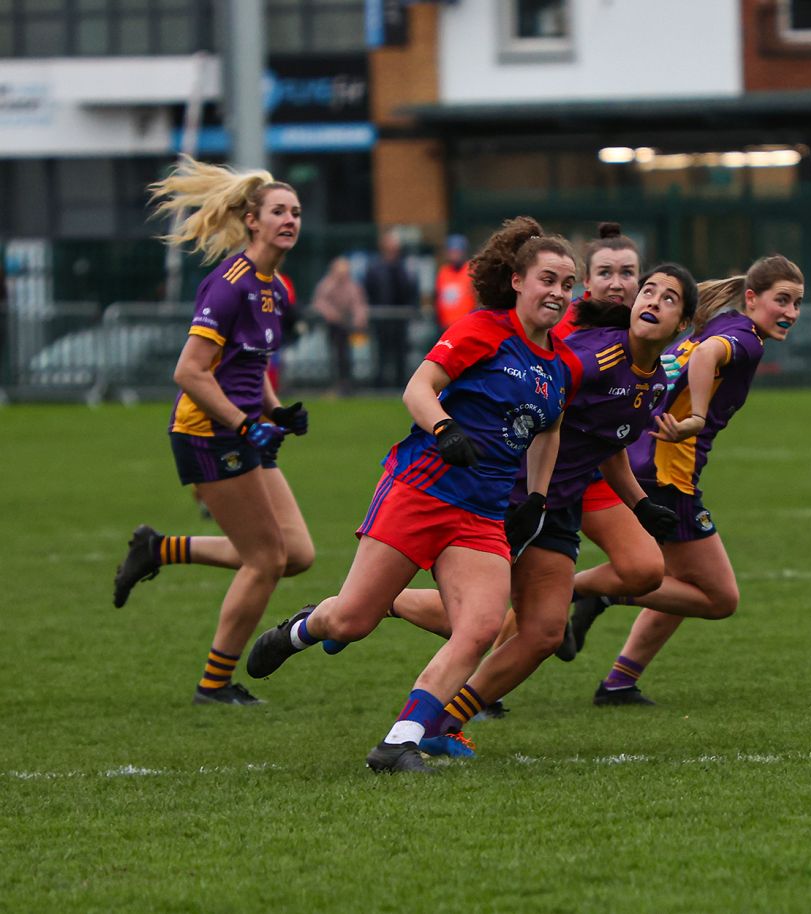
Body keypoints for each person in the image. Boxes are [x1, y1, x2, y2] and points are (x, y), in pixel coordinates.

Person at [244, 216, 579, 774]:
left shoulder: (562, 362)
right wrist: (445, 429)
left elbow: (550, 430)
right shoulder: (481, 330)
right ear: (518, 280)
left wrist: (537, 500)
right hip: (421, 490)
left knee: (480, 629)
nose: (558, 293)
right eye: (548, 279)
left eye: (568, 285)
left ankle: (399, 741)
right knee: (351, 621)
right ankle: (301, 630)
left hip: (482, 513)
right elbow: (418, 388)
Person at [387, 264, 697, 753]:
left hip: (558, 504)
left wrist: (639, 504)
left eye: (669, 298)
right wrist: (528, 491)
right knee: (480, 621)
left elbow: (606, 445)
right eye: (649, 291)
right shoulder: (593, 357)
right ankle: (382, 608)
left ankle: (445, 722)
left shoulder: (654, 381)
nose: (652, 300)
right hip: (515, 495)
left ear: (681, 326)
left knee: (544, 632)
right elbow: (537, 408)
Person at [111, 155, 315, 705]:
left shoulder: (277, 288)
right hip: (207, 432)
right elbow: (189, 373)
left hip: (244, 428)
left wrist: (274, 413)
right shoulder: (228, 286)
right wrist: (246, 425)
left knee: (297, 554)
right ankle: (214, 684)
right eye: (278, 211)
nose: (290, 219)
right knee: (266, 560)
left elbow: (248, 368)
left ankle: (158, 550)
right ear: (252, 220)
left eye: (296, 212)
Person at [568, 255, 804, 706]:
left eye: (797, 303)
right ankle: (585, 592)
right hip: (665, 476)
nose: (791, 312)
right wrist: (697, 414)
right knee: (719, 598)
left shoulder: (724, 323)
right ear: (752, 298)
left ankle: (619, 682)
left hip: (641, 463)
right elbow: (711, 357)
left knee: (683, 585)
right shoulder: (745, 339)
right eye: (782, 300)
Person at [364, 228, 419, 390]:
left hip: (400, 317)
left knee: (401, 352)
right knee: (381, 353)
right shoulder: (375, 267)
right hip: (381, 318)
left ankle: (400, 384)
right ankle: (380, 385)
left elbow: (411, 289)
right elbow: (369, 289)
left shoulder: (404, 267)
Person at [312, 256, 369, 396]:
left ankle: (346, 385)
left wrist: (359, 318)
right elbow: (319, 302)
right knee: (334, 356)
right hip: (332, 327)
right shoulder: (326, 284)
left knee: (346, 356)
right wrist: (331, 314)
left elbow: (358, 304)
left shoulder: (352, 285)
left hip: (347, 326)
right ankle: (335, 385)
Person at [432, 233, 477, 331]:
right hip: (445, 326)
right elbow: (437, 297)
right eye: (452, 252)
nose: (454, 255)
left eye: (457, 252)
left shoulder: (471, 271)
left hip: (466, 325)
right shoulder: (443, 272)